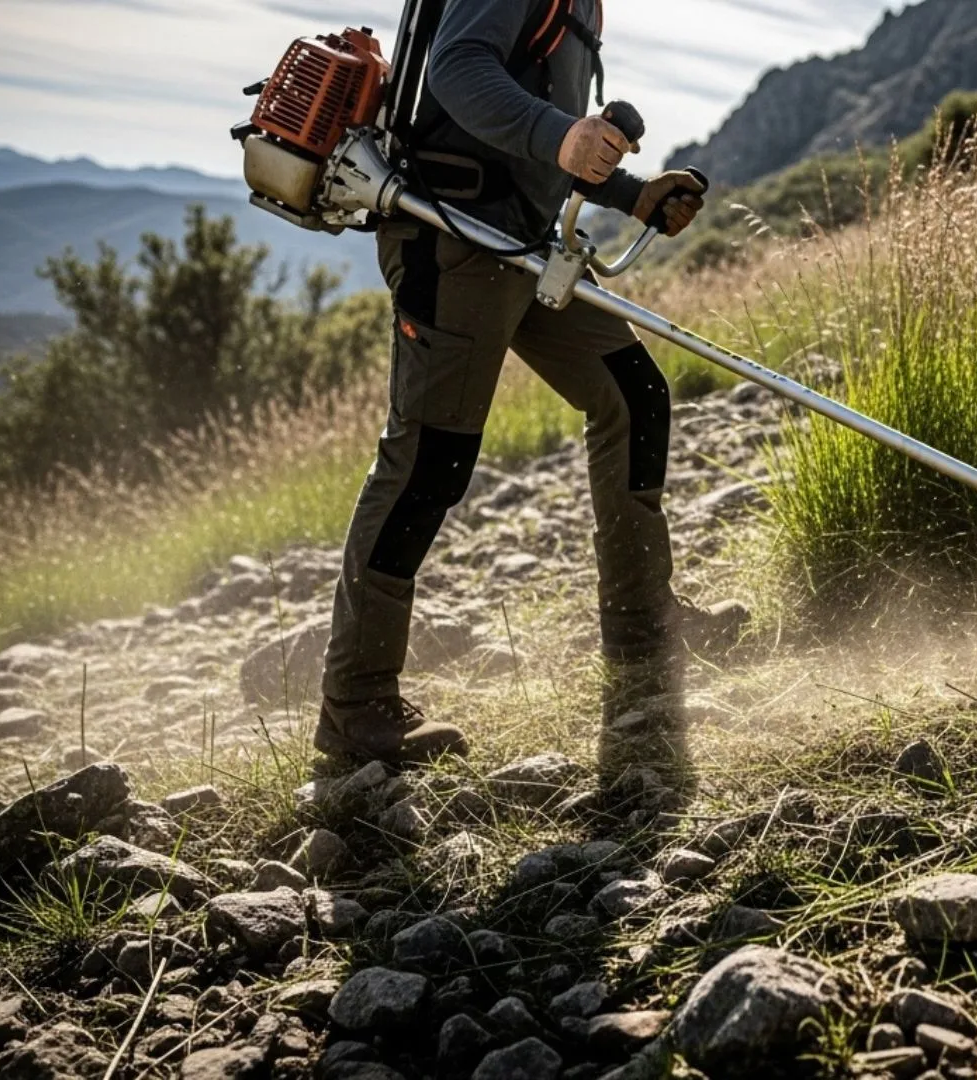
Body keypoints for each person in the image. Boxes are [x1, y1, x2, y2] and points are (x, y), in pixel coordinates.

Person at [314, 0, 747, 769]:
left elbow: (540, 126)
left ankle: (643, 631)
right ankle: (356, 706)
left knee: (631, 397)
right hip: (452, 243)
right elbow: (457, 72)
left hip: (516, 243)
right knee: (427, 463)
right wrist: (563, 136)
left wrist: (631, 193)